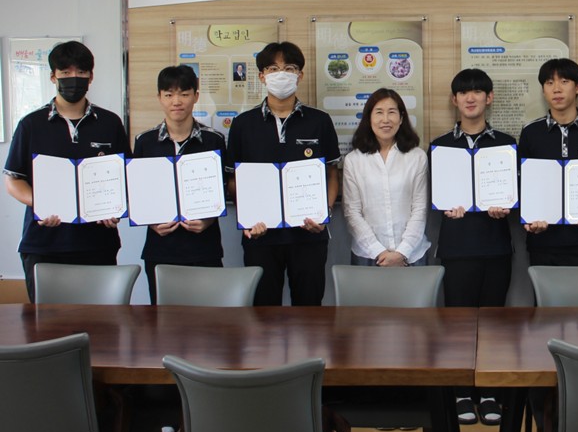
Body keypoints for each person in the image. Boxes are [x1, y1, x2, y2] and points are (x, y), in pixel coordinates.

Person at [3, 40, 129, 302]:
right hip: (44, 243)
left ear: (91, 77)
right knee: (47, 323)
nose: (74, 78)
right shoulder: (31, 124)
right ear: (53, 76)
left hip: (97, 244)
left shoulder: (110, 123)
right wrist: (41, 203)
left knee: (99, 322)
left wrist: (116, 209)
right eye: (65, 72)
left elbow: (126, 177)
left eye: (81, 72)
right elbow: (13, 180)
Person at [224, 42, 340, 306]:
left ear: (299, 75)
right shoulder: (243, 124)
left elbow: (332, 173)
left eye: (289, 68)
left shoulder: (319, 121)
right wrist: (247, 218)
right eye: (273, 69)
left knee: (310, 309)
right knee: (263, 311)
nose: (281, 74)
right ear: (262, 76)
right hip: (261, 236)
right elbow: (233, 179)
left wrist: (325, 214)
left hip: (309, 234)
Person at [431, 68, 514, 425]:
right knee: (458, 324)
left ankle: (490, 392)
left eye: (478, 91)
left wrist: (507, 207)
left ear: (488, 98)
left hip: (496, 246)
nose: (470, 97)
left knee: (494, 322)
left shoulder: (506, 143)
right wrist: (445, 207)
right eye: (463, 92)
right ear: (454, 100)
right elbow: (435, 195)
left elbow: (516, 195)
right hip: (458, 247)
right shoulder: (440, 146)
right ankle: (461, 391)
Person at [133, 65, 226, 304]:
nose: (177, 101)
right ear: (159, 97)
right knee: (164, 319)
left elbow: (224, 188)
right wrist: (151, 222)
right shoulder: (145, 142)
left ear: (196, 96)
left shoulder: (214, 140)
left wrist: (208, 220)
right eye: (169, 94)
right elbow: (137, 192)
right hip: (160, 248)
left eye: (184, 94)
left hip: (204, 247)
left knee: (208, 316)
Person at [518, 58, 578, 267]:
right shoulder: (530, 132)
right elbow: (523, 183)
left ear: (577, 87)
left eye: (564, 81)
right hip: (542, 240)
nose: (557, 89)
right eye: (549, 83)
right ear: (543, 90)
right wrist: (530, 218)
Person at [342, 89, 430, 267]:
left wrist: (402, 252)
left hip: (412, 255)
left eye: (392, 112)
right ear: (369, 118)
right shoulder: (354, 160)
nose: (385, 119)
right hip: (367, 255)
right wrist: (378, 251)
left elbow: (420, 209)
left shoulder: (417, 157)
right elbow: (352, 212)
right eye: (379, 112)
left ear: (401, 118)